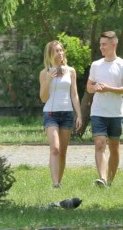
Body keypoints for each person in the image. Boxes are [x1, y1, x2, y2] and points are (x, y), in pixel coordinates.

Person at [86, 31, 123, 187]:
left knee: (114, 147)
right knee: (100, 143)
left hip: (115, 113)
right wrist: (95, 87)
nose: (101, 48)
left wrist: (109, 89)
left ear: (114, 44)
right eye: (100, 45)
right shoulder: (96, 65)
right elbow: (89, 87)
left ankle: (110, 182)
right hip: (98, 111)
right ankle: (102, 178)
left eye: (104, 44)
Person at [39, 40, 82, 188]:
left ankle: (59, 181)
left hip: (67, 114)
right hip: (51, 113)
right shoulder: (44, 73)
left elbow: (74, 95)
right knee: (55, 148)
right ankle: (55, 184)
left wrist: (79, 115)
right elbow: (43, 98)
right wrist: (49, 79)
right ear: (50, 54)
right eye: (56, 51)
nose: (60, 53)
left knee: (62, 152)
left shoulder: (71, 71)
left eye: (61, 50)